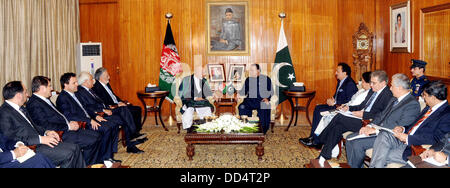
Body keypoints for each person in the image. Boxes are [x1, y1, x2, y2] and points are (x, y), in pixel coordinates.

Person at [0, 81, 85, 168]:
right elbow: (11, 139)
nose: (27, 94)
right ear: (19, 95)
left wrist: (47, 132)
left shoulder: (21, 108)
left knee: (75, 148)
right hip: (32, 147)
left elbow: (34, 126)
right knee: (69, 153)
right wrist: (40, 139)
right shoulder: (4, 113)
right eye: (25, 92)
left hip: (40, 141)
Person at [312, 70, 393, 161]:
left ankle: (318, 141)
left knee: (340, 117)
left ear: (383, 83)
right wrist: (349, 108)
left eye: (374, 83)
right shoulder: (372, 91)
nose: (371, 85)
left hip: (369, 122)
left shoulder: (388, 95)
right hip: (360, 118)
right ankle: (323, 156)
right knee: (337, 127)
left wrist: (364, 114)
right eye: (371, 82)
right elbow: (361, 105)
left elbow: (382, 115)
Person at [345, 73, 421, 168]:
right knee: (349, 138)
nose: (390, 88)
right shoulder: (393, 99)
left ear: (400, 88)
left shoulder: (412, 104)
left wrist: (376, 130)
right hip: (378, 131)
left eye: (392, 86)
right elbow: (381, 116)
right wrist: (369, 126)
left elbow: (401, 127)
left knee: (357, 144)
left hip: (391, 137)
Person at [369, 81, 449, 168]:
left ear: (433, 97)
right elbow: (414, 125)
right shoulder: (428, 108)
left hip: (414, 146)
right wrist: (402, 128)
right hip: (404, 138)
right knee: (384, 135)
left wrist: (408, 138)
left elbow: (437, 139)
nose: (423, 98)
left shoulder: (447, 114)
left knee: (381, 155)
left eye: (424, 95)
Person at [26, 76, 103, 165]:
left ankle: (93, 164)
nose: (51, 89)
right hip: (60, 133)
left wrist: (69, 123)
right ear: (42, 88)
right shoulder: (34, 104)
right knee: (91, 140)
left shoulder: (44, 99)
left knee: (97, 135)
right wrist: (68, 126)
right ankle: (89, 165)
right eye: (49, 86)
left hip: (66, 128)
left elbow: (58, 116)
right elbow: (45, 125)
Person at [56, 73, 121, 163]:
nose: (77, 84)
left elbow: (86, 108)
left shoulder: (76, 94)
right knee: (106, 129)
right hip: (82, 124)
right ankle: (103, 159)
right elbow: (70, 116)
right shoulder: (62, 98)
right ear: (66, 85)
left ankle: (107, 156)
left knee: (112, 125)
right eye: (74, 83)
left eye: (76, 82)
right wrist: (89, 120)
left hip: (90, 119)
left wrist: (95, 116)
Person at [76, 72, 144, 154]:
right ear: (85, 82)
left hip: (106, 109)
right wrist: (104, 110)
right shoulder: (80, 92)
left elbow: (101, 102)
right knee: (123, 112)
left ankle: (130, 144)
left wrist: (108, 107)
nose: (93, 81)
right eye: (91, 79)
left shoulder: (90, 90)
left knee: (124, 113)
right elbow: (87, 107)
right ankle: (133, 135)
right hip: (100, 113)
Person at [311, 72, 372, 156]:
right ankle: (325, 154)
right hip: (350, 111)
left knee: (338, 117)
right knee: (337, 126)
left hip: (360, 119)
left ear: (370, 83)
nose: (361, 83)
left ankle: (319, 140)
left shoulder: (369, 93)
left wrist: (347, 109)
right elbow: (352, 102)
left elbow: (361, 108)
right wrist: (345, 106)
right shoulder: (362, 91)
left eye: (363, 82)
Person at [299, 63, 358, 146]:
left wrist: (335, 102)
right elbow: (337, 96)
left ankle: (317, 141)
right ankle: (312, 137)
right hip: (335, 105)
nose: (335, 73)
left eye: (338, 71)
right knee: (317, 108)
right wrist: (331, 100)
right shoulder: (340, 81)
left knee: (321, 112)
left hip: (341, 109)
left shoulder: (350, 84)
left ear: (344, 73)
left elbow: (349, 101)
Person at [92, 67, 145, 140]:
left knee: (137, 109)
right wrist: (117, 105)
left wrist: (120, 101)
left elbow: (113, 96)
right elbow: (104, 102)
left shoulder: (106, 84)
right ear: (101, 77)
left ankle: (136, 132)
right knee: (130, 111)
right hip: (113, 108)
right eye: (107, 76)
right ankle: (133, 134)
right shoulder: (97, 88)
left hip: (118, 105)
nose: (109, 77)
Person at [237, 64, 273, 134]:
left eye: (252, 70)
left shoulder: (266, 79)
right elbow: (243, 91)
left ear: (258, 71)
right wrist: (238, 94)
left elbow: (270, 91)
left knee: (265, 107)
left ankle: (262, 130)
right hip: (250, 101)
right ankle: (247, 127)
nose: (250, 72)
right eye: (250, 70)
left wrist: (267, 98)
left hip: (261, 101)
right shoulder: (248, 80)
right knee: (241, 107)